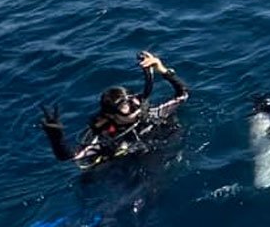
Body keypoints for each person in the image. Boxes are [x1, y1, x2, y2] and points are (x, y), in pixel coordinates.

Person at [40, 51, 189, 168]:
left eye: (132, 99)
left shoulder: (151, 114)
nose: (134, 107)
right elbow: (71, 156)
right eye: (124, 106)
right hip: (131, 165)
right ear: (112, 115)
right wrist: (56, 137)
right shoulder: (107, 136)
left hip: (169, 149)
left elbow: (183, 94)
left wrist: (161, 69)